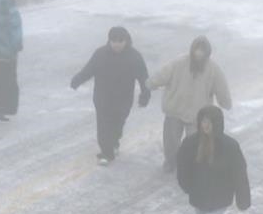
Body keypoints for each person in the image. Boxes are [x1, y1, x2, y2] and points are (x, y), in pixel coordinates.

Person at [148, 36, 232, 173]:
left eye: (202, 50)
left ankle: (190, 165)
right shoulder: (179, 63)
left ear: (207, 53)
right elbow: (163, 74)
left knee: (195, 143)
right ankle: (171, 162)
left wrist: (225, 102)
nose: (199, 53)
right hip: (175, 109)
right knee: (171, 142)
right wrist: (151, 83)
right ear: (192, 49)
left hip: (198, 113)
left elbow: (221, 87)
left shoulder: (213, 69)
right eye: (197, 49)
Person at [71, 26, 151, 165]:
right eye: (114, 41)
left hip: (123, 98)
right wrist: (77, 80)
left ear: (126, 41)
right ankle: (106, 153)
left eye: (120, 41)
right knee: (103, 125)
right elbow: (89, 69)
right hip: (103, 97)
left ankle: (114, 142)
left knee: (118, 123)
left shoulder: (134, 56)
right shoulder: (100, 54)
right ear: (109, 40)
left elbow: (143, 77)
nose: (117, 44)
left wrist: (145, 94)